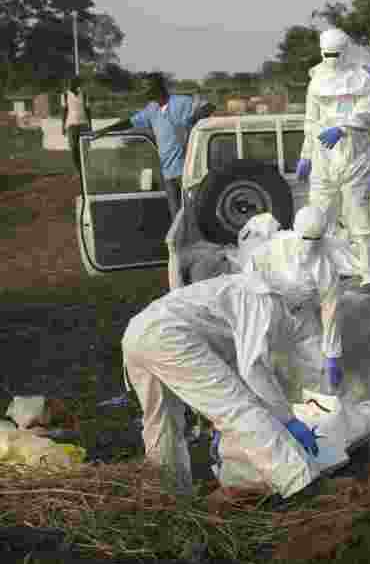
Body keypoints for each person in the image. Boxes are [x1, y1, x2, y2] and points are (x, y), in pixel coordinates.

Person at [122, 272, 325, 501]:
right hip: (170, 335)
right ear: (298, 305)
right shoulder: (265, 300)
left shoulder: (242, 289)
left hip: (138, 332)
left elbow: (241, 364)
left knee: (162, 422)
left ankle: (168, 497)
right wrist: (287, 419)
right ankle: (299, 481)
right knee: (238, 409)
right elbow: (253, 369)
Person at [296, 28, 370, 292]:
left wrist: (343, 127)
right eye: (327, 54)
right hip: (323, 158)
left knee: (359, 216)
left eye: (335, 54)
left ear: (345, 51)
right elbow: (311, 121)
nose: (331, 59)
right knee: (318, 217)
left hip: (354, 158)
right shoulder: (316, 81)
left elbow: (369, 113)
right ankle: (321, 271)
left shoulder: (363, 81)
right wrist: (305, 154)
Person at [240, 205, 345, 391]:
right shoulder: (272, 249)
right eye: (306, 238)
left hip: (300, 315)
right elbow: (249, 277)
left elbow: (330, 308)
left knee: (318, 368)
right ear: (297, 232)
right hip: (268, 311)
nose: (311, 245)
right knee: (264, 365)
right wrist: (269, 297)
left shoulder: (324, 264)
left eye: (316, 239)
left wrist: (332, 354)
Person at [94, 73, 214, 221]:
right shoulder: (151, 110)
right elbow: (130, 122)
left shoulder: (181, 102)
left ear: (157, 87)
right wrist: (106, 130)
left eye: (146, 87)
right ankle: (179, 244)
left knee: (194, 213)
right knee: (176, 218)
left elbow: (209, 106)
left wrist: (192, 119)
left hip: (187, 171)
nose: (143, 90)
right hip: (168, 173)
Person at [61, 77, 92, 175]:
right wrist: (63, 126)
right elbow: (64, 111)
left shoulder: (84, 94)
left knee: (84, 148)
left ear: (77, 84)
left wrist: (90, 125)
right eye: (69, 83)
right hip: (71, 125)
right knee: (74, 148)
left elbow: (88, 110)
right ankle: (78, 170)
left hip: (83, 124)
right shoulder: (65, 95)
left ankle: (85, 168)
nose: (70, 85)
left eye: (73, 83)